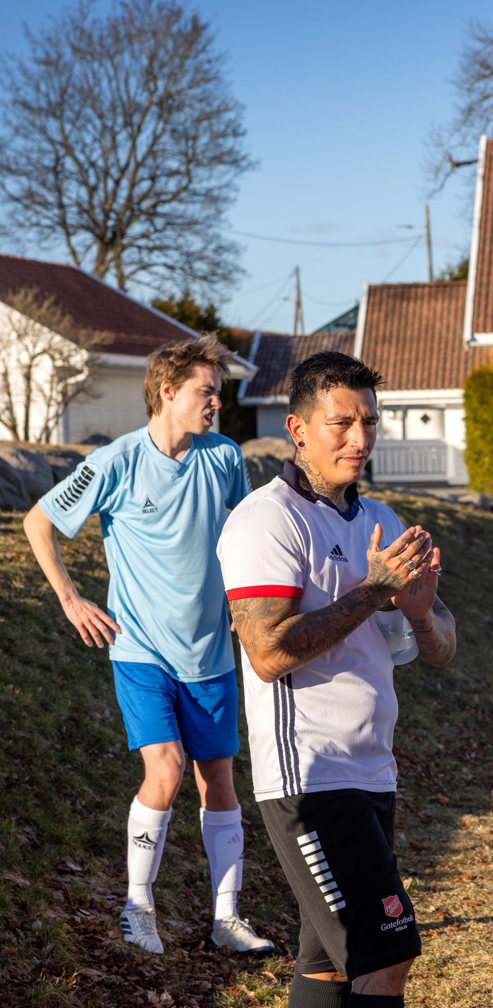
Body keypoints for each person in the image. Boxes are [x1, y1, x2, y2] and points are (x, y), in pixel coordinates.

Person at [218, 351, 456, 1008]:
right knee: (389, 952)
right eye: (341, 423)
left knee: (327, 963)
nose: (361, 438)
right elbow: (267, 652)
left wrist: (417, 613)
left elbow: (437, 645)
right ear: (297, 429)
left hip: (372, 771)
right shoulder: (267, 520)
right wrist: (370, 591)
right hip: (312, 780)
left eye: (370, 422)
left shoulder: (376, 517)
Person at [23, 336, 273, 956]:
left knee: (219, 780)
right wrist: (71, 599)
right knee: (164, 773)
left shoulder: (223, 458)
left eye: (218, 392)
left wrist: (246, 609)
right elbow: (38, 521)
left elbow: (244, 539)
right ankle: (137, 906)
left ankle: (226, 918)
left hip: (212, 651)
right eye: (206, 392)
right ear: (167, 391)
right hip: (141, 650)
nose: (217, 402)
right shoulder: (117, 461)